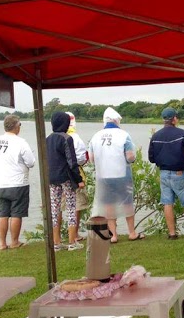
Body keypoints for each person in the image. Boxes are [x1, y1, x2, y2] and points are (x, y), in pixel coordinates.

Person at [88, 107, 144, 242]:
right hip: (122, 175)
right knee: (127, 203)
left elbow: (91, 158)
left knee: (108, 204)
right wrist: (131, 160)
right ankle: (132, 232)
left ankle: (113, 235)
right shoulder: (124, 135)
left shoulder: (96, 136)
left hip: (103, 176)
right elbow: (130, 156)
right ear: (116, 121)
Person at [148, 107, 184, 239]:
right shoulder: (183, 134)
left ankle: (172, 233)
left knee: (167, 202)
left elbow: (151, 158)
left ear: (163, 119)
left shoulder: (156, 136)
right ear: (174, 119)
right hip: (179, 173)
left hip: (164, 173)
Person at [0, 114, 35, 250]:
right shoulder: (21, 142)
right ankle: (14, 241)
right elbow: (31, 162)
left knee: (2, 214)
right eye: (20, 125)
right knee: (16, 214)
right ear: (16, 126)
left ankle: (2, 243)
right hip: (18, 183)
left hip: (0, 183)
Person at [46, 111, 85, 252]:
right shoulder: (67, 138)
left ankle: (56, 242)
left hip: (51, 177)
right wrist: (79, 179)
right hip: (66, 178)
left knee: (55, 209)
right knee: (71, 208)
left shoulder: (48, 139)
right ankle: (72, 241)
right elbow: (72, 162)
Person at [65, 112, 89, 236]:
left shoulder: (54, 137)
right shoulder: (76, 138)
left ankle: (56, 237)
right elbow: (81, 158)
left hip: (59, 174)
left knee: (58, 206)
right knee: (77, 205)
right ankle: (74, 235)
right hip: (75, 174)